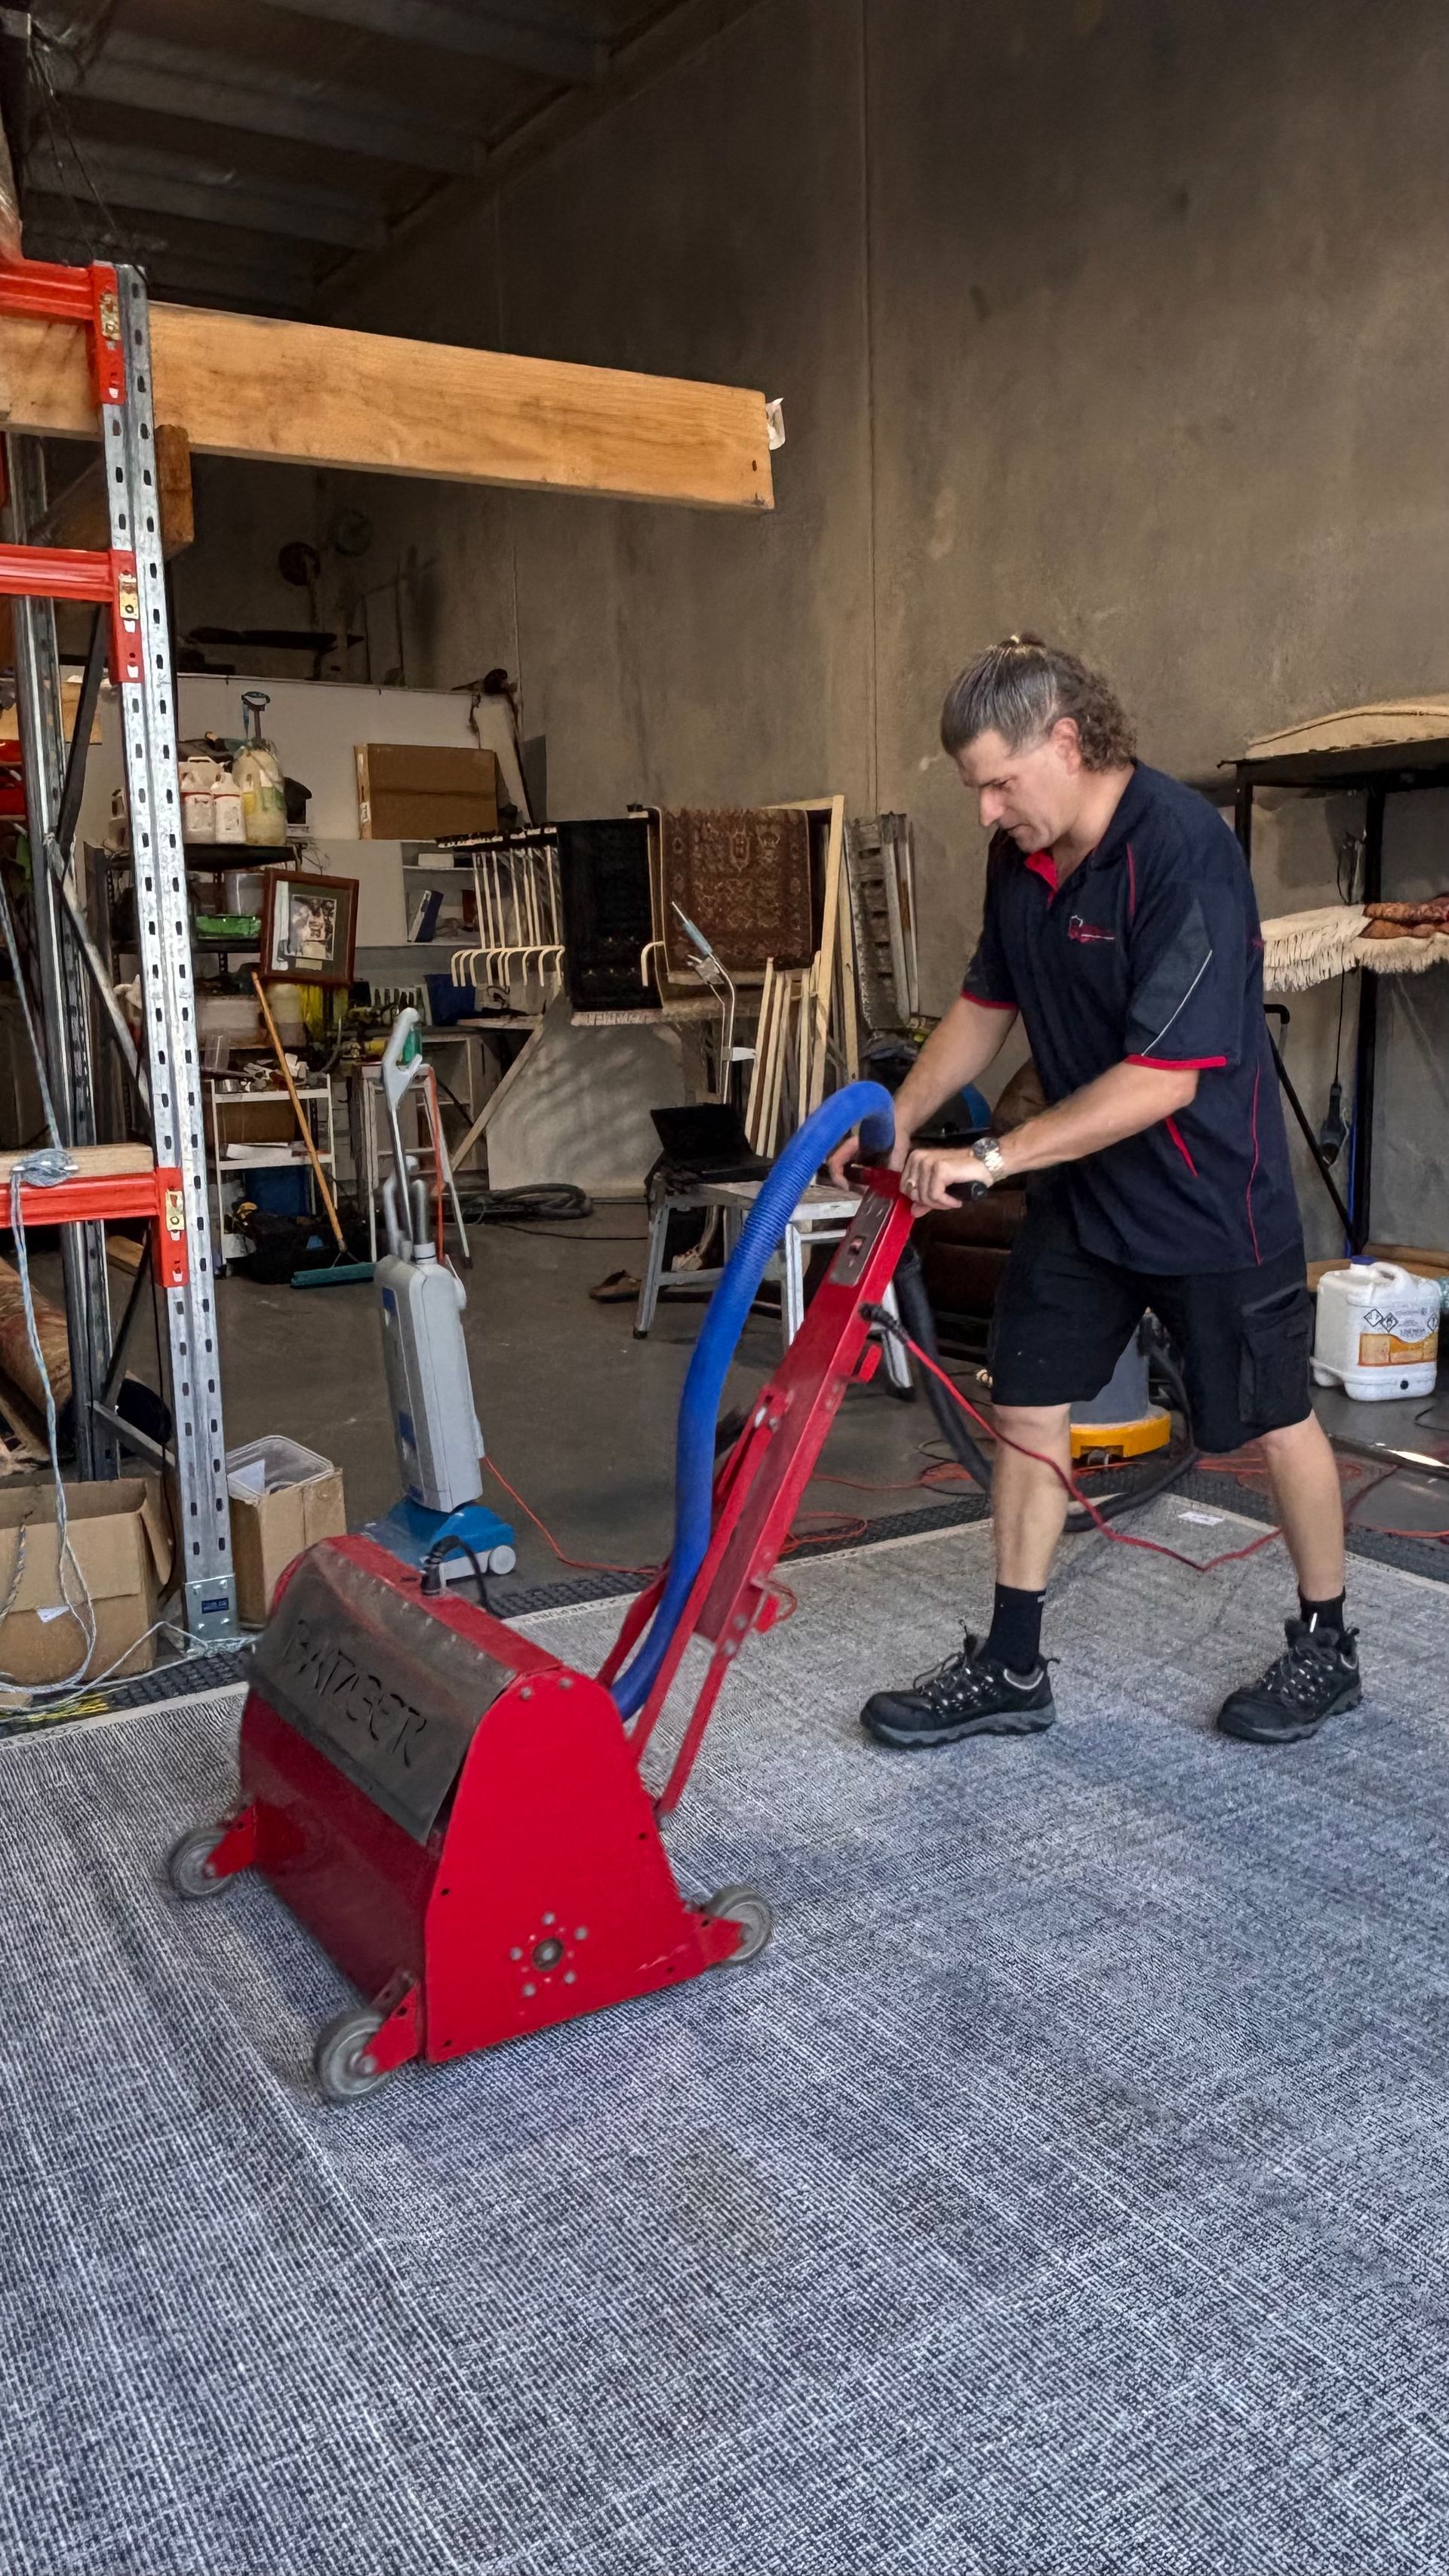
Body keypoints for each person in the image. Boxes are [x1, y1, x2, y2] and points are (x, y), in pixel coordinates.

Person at [829, 636, 1359, 1751]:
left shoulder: (1182, 852)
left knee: (1273, 1419)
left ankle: (1327, 1644)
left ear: (1066, 741)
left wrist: (994, 1159)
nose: (983, 809)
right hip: (1086, 1197)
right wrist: (898, 1117)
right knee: (1027, 1402)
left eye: (997, 780)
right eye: (973, 785)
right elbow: (985, 1003)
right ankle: (1014, 1664)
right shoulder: (1022, 857)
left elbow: (1164, 1078)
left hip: (1212, 1194)